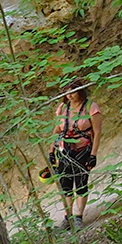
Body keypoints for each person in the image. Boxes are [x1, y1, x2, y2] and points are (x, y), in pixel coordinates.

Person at [52, 82, 102, 229]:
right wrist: (51, 150)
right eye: (67, 92)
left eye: (73, 91)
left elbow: (97, 132)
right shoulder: (63, 109)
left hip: (83, 151)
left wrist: (93, 154)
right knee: (65, 185)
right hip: (64, 152)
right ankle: (68, 218)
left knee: (81, 183)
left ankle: (78, 217)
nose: (70, 95)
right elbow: (57, 130)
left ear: (80, 91)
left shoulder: (90, 107)